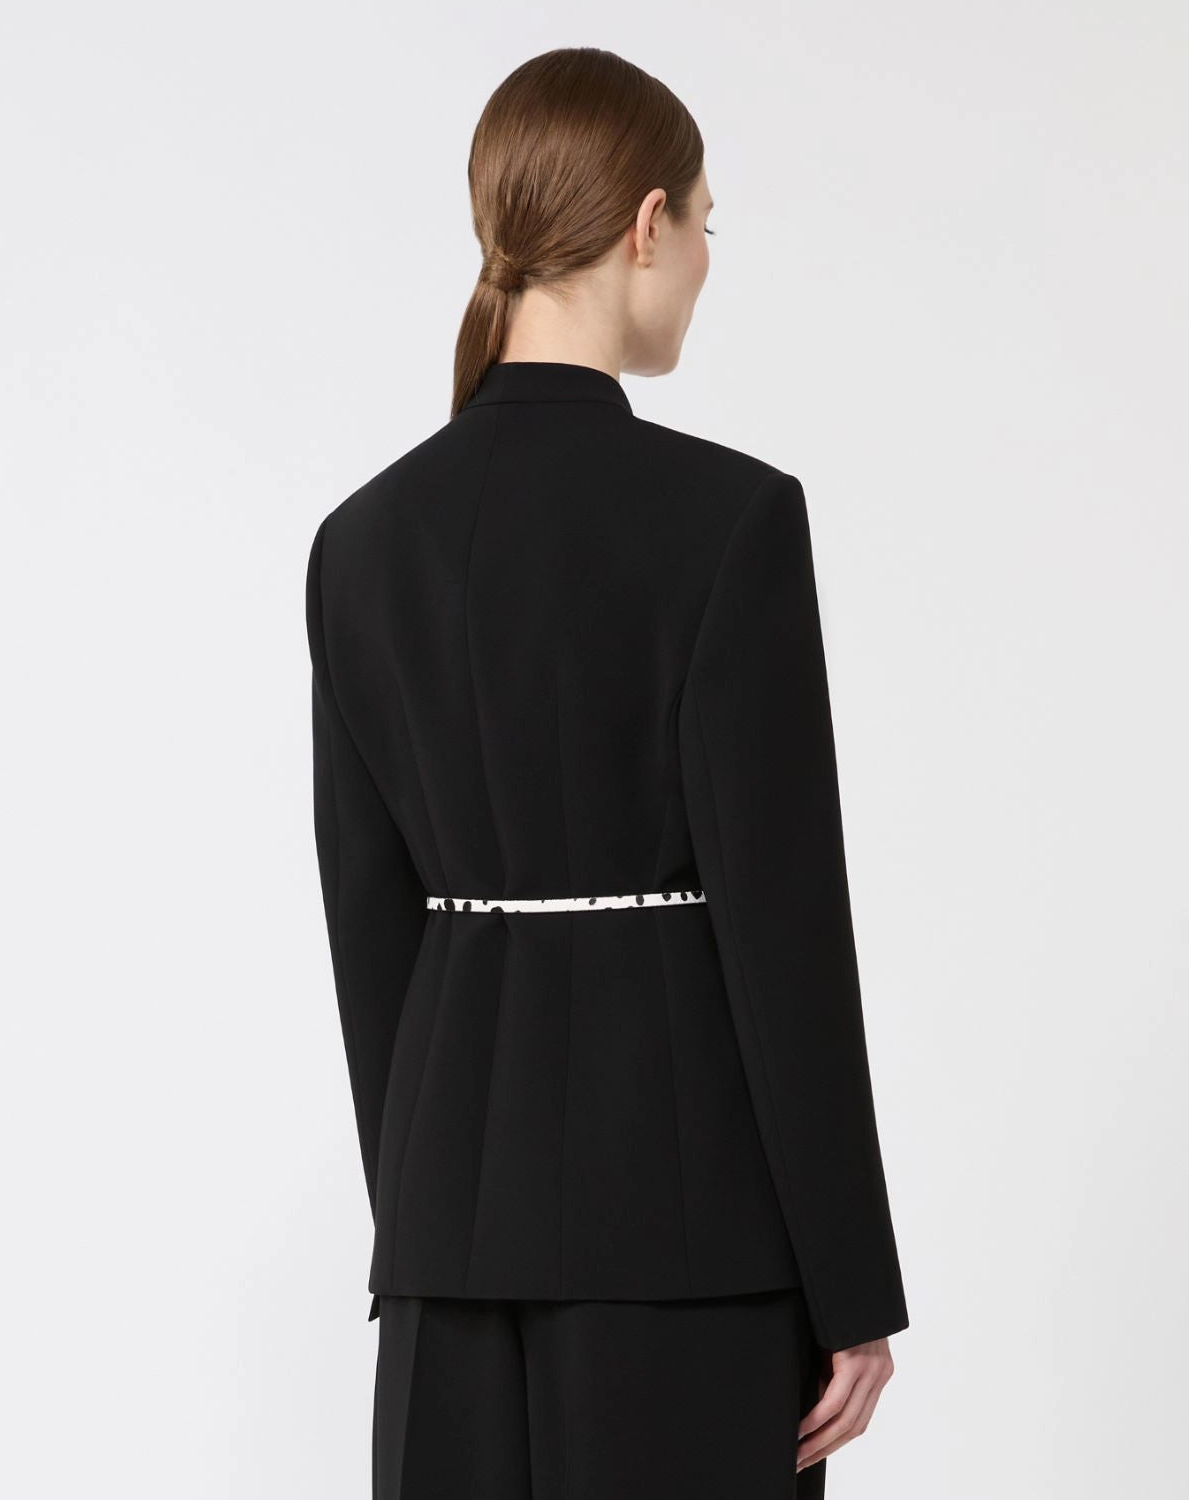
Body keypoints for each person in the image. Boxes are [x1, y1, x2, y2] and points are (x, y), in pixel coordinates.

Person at [306, 45, 908, 1500]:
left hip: (448, 1248)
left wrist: (437, 1205)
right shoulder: (731, 522)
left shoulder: (362, 543)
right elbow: (784, 927)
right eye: (704, 223)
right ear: (647, 224)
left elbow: (369, 936)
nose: (704, 261)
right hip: (691, 1246)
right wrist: (854, 1285)